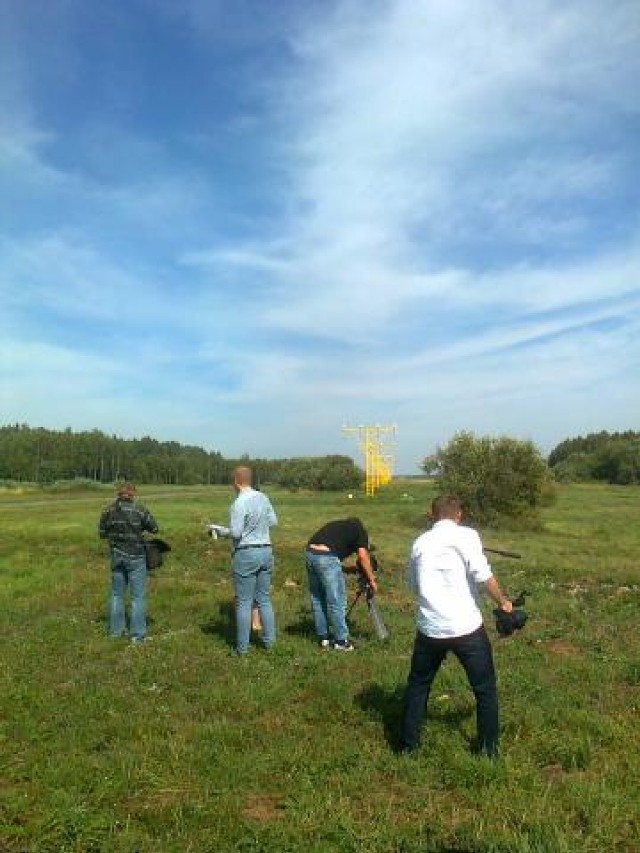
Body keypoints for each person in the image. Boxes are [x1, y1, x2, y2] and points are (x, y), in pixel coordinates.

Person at [399, 494, 513, 758]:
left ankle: (408, 747)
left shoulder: (419, 543)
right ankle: (488, 752)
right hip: (467, 628)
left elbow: (414, 586)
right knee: (484, 689)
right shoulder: (468, 536)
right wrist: (504, 602)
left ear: (432, 515)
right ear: (458, 515)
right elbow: (483, 576)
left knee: (419, 685)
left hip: (430, 628)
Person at [210, 466, 277, 655]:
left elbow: (237, 533)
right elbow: (273, 521)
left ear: (236, 481)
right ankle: (270, 642)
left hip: (247, 552)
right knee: (264, 599)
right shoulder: (263, 497)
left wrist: (220, 530)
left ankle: (242, 648)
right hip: (266, 549)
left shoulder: (238, 503)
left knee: (244, 602)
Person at [99, 482, 159, 644]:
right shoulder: (139, 509)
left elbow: (102, 533)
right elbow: (154, 528)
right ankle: (138, 636)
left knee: (117, 594)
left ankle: (116, 632)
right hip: (136, 556)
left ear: (119, 493)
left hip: (116, 556)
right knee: (138, 596)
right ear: (133, 494)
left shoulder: (108, 510)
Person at [305, 517, 377, 651]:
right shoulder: (360, 531)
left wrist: (347, 569)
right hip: (326, 556)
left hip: (310, 553)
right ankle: (341, 642)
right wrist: (371, 578)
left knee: (318, 598)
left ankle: (323, 638)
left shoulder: (339, 526)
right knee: (337, 601)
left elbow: (328, 561)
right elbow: (362, 556)